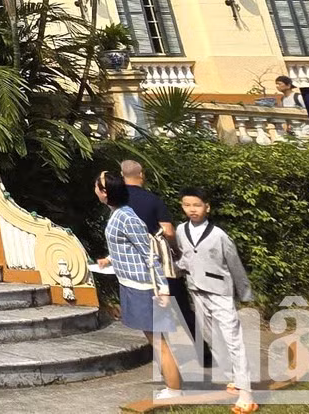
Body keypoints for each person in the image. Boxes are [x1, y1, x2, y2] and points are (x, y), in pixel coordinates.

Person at [93, 168, 183, 401]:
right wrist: (109, 259)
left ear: (105, 192)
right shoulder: (118, 214)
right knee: (153, 338)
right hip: (132, 283)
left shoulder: (126, 216)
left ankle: (174, 389)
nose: (95, 190)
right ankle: (172, 386)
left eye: (97, 186)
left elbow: (148, 252)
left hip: (145, 286)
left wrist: (162, 288)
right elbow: (126, 246)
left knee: (158, 340)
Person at [174, 189, 257, 414]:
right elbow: (186, 258)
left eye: (197, 205)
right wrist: (174, 269)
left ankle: (247, 393)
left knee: (233, 339)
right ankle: (234, 378)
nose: (192, 209)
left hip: (220, 291)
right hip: (196, 291)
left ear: (207, 207)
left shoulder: (219, 235)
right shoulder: (181, 230)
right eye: (187, 205)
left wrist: (245, 293)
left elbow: (235, 264)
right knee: (211, 337)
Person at [122, 158, 203, 369]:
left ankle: (162, 357)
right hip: (160, 261)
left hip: (134, 265)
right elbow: (167, 231)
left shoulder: (119, 203)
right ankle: (204, 354)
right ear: (142, 175)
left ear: (122, 176)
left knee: (149, 312)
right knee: (182, 308)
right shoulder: (152, 200)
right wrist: (175, 249)